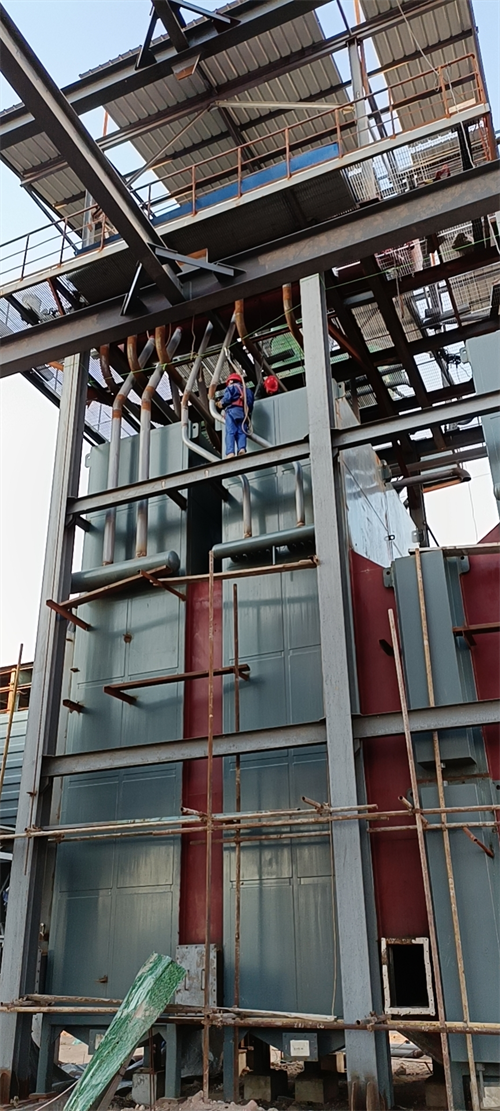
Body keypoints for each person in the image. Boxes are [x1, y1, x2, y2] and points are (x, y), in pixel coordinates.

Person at [219, 372, 254, 457]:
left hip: (232, 412)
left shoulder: (231, 387)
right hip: (243, 413)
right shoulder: (248, 391)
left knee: (230, 432)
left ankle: (230, 453)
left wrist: (220, 403)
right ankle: (241, 449)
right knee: (241, 432)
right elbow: (250, 405)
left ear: (230, 381)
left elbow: (227, 399)